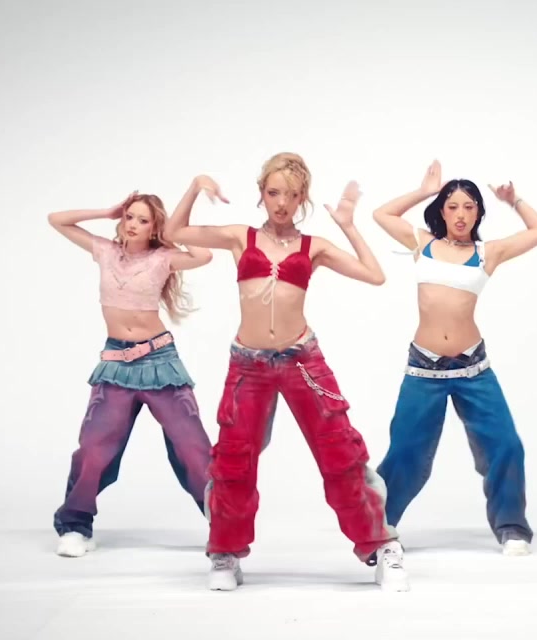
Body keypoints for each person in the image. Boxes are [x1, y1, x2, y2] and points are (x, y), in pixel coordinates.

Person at [163, 152, 409, 592]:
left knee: (340, 453)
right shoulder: (240, 237)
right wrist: (197, 185)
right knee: (234, 461)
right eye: (273, 192)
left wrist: (348, 225)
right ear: (262, 193)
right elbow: (173, 233)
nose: (281, 202)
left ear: (301, 199)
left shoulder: (315, 247)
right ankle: (224, 552)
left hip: (302, 361)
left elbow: (375, 275)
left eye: (291, 195)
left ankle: (380, 545)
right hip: (248, 364)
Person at [370, 160, 537, 556]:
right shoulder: (422, 243)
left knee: (506, 445)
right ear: (441, 210)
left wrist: (514, 200)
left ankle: (512, 527)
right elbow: (381, 214)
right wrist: (424, 190)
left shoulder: (488, 252)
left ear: (478, 213)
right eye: (452, 206)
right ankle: (377, 526)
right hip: (424, 368)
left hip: (473, 368)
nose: (460, 214)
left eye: (469, 207)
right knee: (405, 452)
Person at [47, 192, 216, 558]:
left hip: (159, 362)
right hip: (115, 364)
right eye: (129, 217)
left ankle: (223, 522)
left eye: (143, 219)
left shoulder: (163, 258)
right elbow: (56, 219)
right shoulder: (105, 251)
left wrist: (174, 229)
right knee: (93, 448)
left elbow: (204, 255)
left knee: (192, 446)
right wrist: (106, 210)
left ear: (154, 228)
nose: (133, 224)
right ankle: (75, 525)